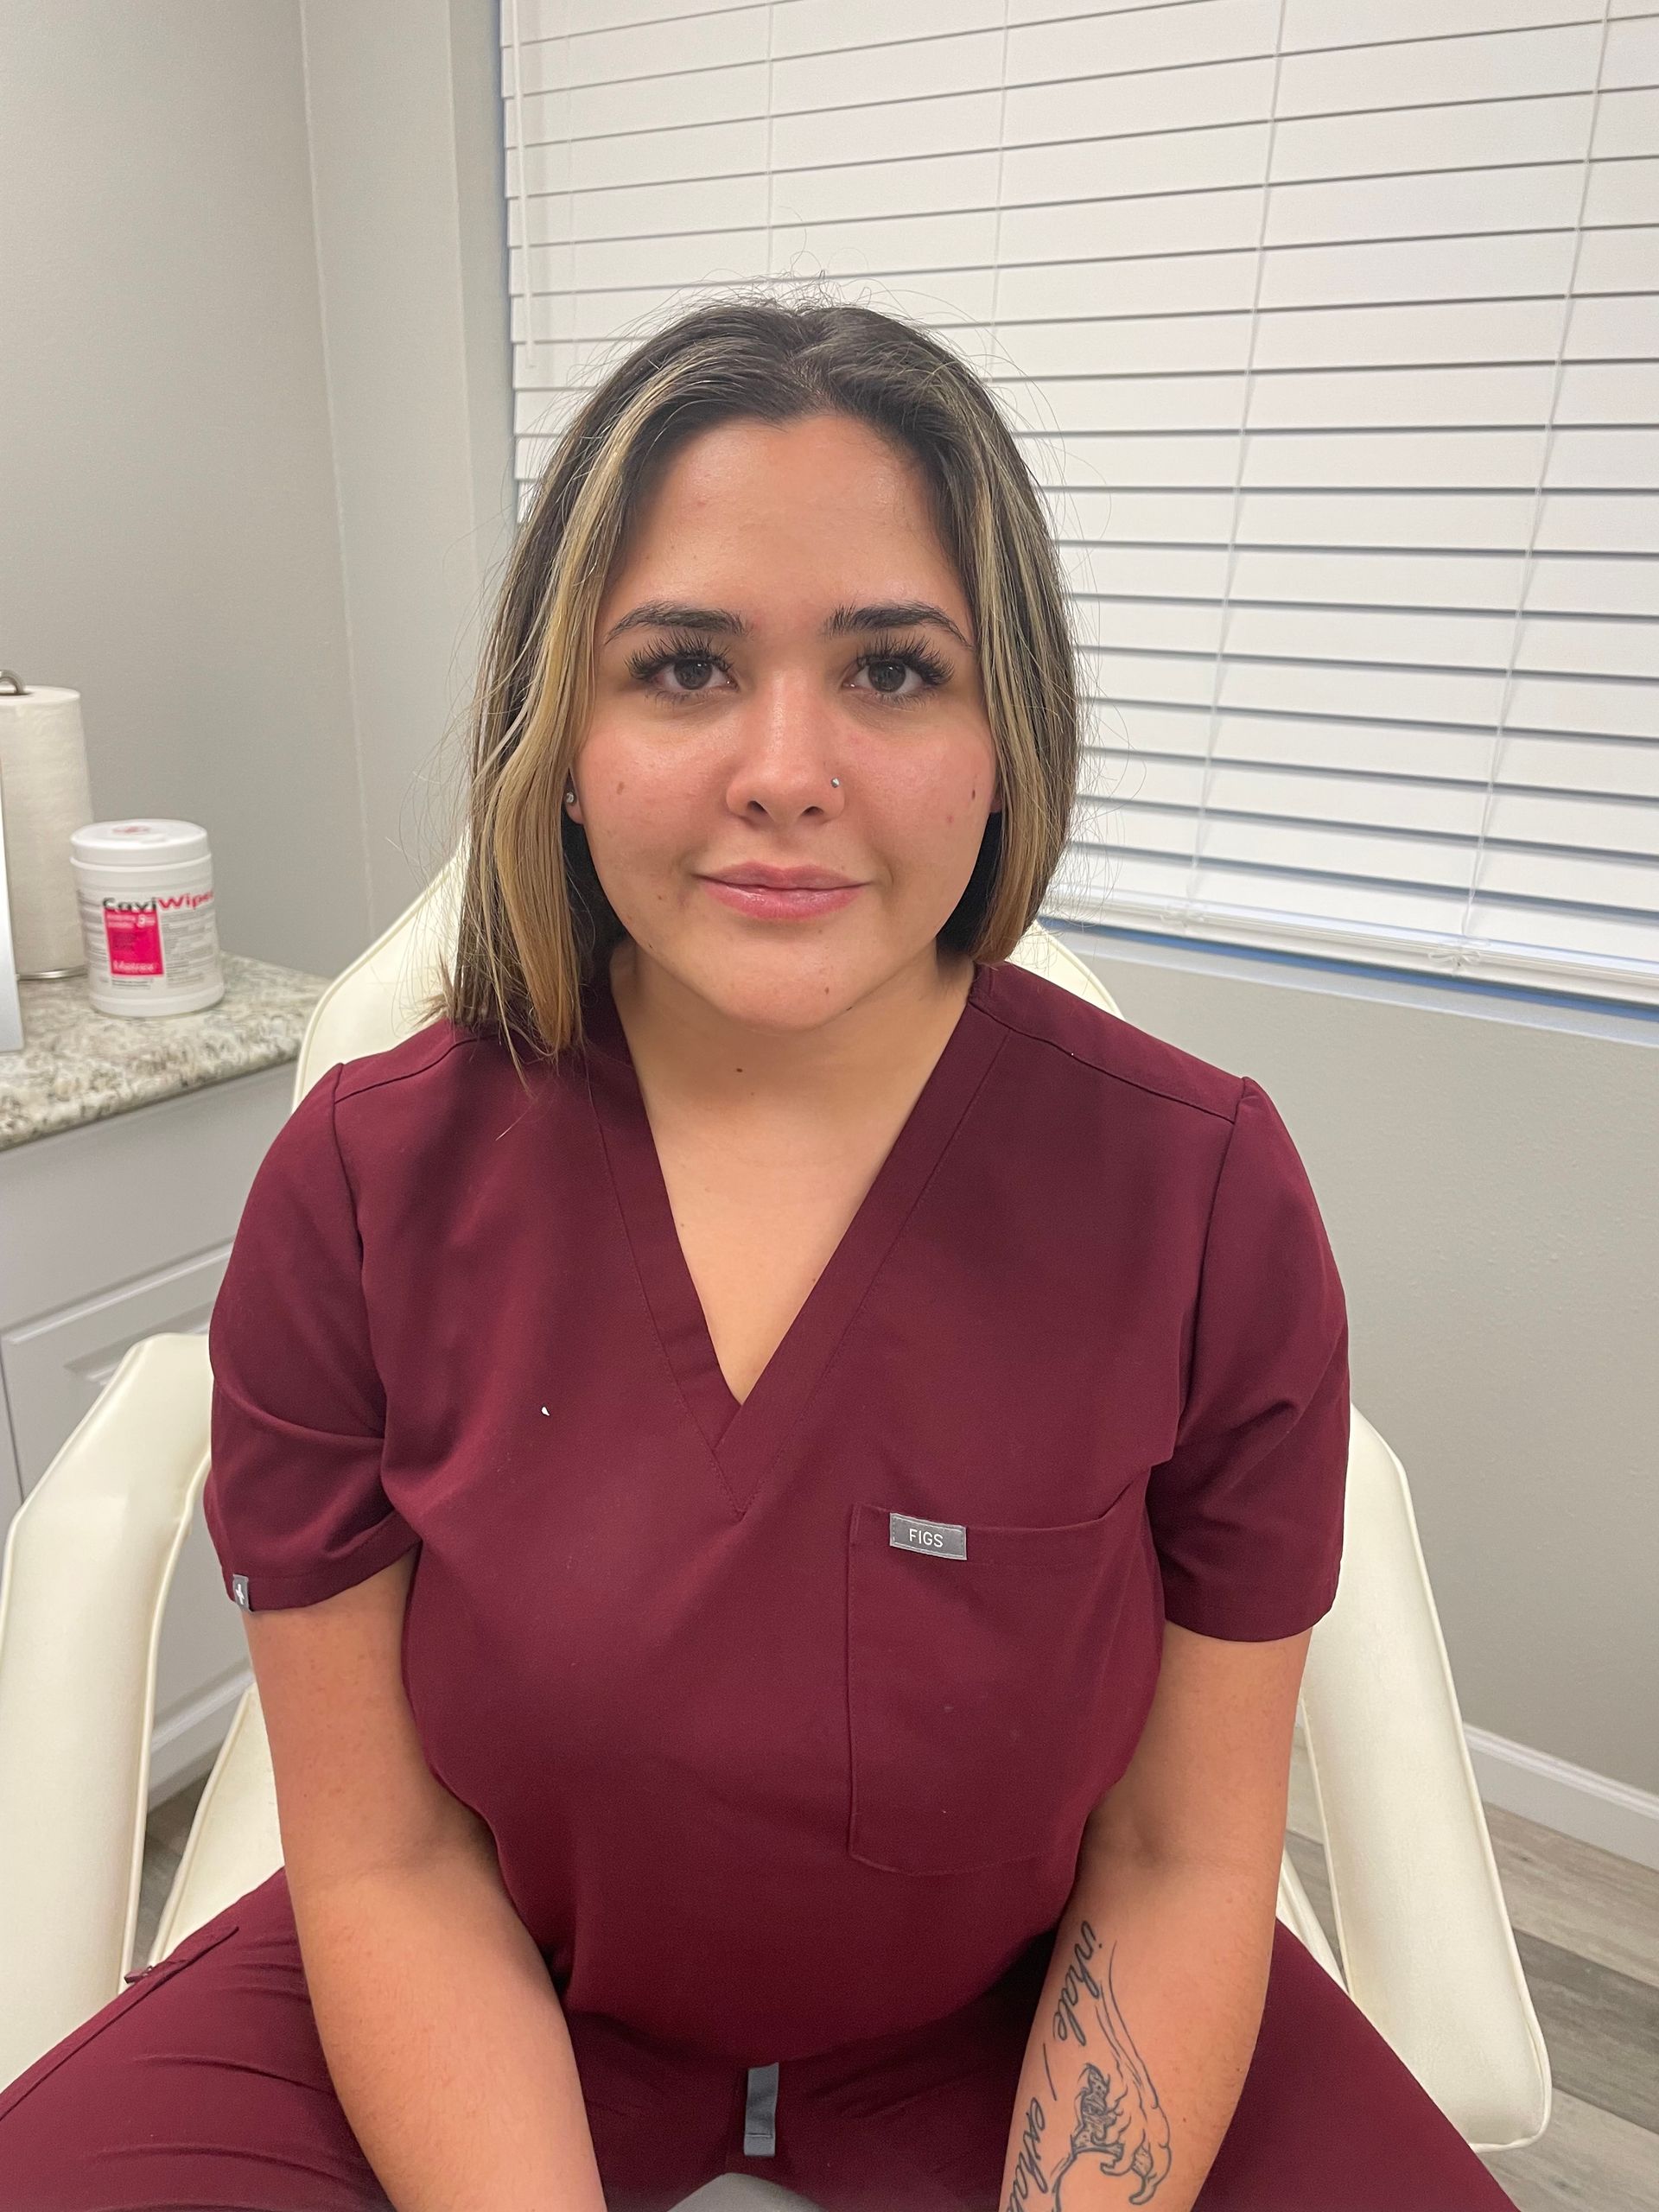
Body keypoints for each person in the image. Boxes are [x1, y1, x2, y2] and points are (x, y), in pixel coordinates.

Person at [0, 295, 1522, 2212]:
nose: (785, 769)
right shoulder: (370, 1187)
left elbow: (1180, 1853)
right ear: (565, 739)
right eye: (686, 666)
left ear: (1001, 735)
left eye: (891, 670)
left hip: (1027, 1999)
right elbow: (382, 1857)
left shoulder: (1200, 1196)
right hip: (491, 1978)